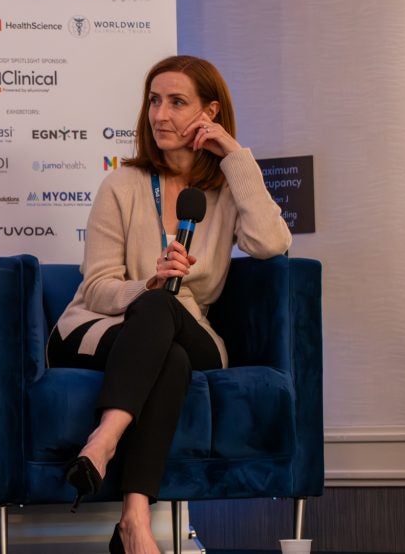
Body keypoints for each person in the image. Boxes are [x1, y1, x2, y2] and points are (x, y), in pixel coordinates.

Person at [47, 55, 291, 554]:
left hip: (188, 326)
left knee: (165, 316)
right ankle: (135, 520)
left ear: (210, 112)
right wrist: (149, 282)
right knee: (166, 342)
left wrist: (235, 156)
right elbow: (97, 288)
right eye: (154, 101)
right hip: (99, 328)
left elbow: (271, 243)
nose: (160, 115)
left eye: (177, 102)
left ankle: (104, 439)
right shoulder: (121, 185)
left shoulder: (227, 191)